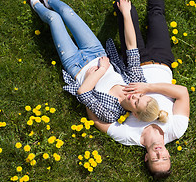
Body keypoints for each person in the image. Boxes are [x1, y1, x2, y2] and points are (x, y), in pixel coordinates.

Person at [87, 0, 190, 179]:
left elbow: (97, 121)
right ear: (169, 154)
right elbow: (182, 93)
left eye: (155, 160)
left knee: (124, 9)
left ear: (146, 158)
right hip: (161, 59)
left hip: (131, 59)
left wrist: (89, 95)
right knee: (156, 14)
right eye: (164, 157)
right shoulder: (176, 129)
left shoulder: (129, 136)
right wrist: (148, 87)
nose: (159, 154)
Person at [27, 0, 164, 123]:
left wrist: (101, 71)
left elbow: (83, 93)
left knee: (54, 18)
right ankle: (48, 1)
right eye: (140, 96)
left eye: (136, 103)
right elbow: (132, 49)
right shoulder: (137, 83)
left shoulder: (111, 113)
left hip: (75, 65)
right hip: (95, 51)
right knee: (67, 12)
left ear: (135, 114)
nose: (133, 97)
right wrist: (126, 13)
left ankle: (35, 4)